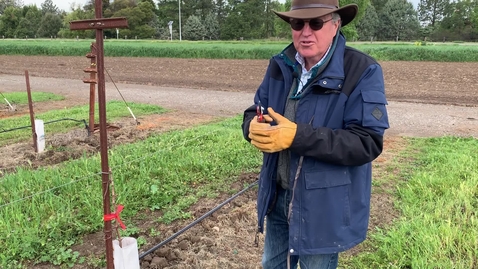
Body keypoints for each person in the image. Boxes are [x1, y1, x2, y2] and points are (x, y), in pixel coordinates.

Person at [241, 0, 390, 268]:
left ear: (336, 25)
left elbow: (366, 142)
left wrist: (296, 137)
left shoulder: (362, 70)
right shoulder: (280, 65)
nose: (305, 31)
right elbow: (257, 109)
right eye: (298, 23)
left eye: (316, 23)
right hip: (278, 196)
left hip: (322, 207)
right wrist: (251, 125)